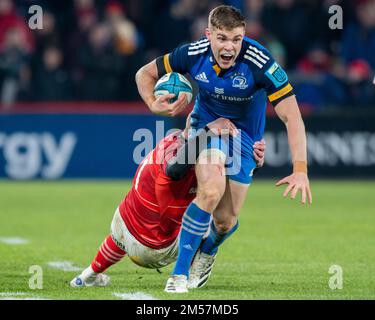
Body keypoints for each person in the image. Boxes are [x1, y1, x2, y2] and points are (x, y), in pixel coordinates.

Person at [135, 5, 312, 293]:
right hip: (208, 127)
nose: (229, 46)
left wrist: (300, 170)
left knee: (226, 221)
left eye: (236, 39)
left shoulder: (261, 62)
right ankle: (179, 274)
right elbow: (144, 74)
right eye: (222, 38)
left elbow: (292, 116)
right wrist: (153, 104)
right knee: (211, 189)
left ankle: (207, 251)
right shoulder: (193, 54)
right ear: (209, 35)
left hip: (244, 139)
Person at [70, 116, 266, 287]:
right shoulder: (188, 158)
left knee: (133, 223)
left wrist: (250, 159)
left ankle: (87, 275)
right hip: (155, 249)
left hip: (122, 225)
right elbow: (175, 170)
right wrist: (210, 132)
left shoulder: (171, 141)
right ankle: (200, 260)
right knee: (226, 218)